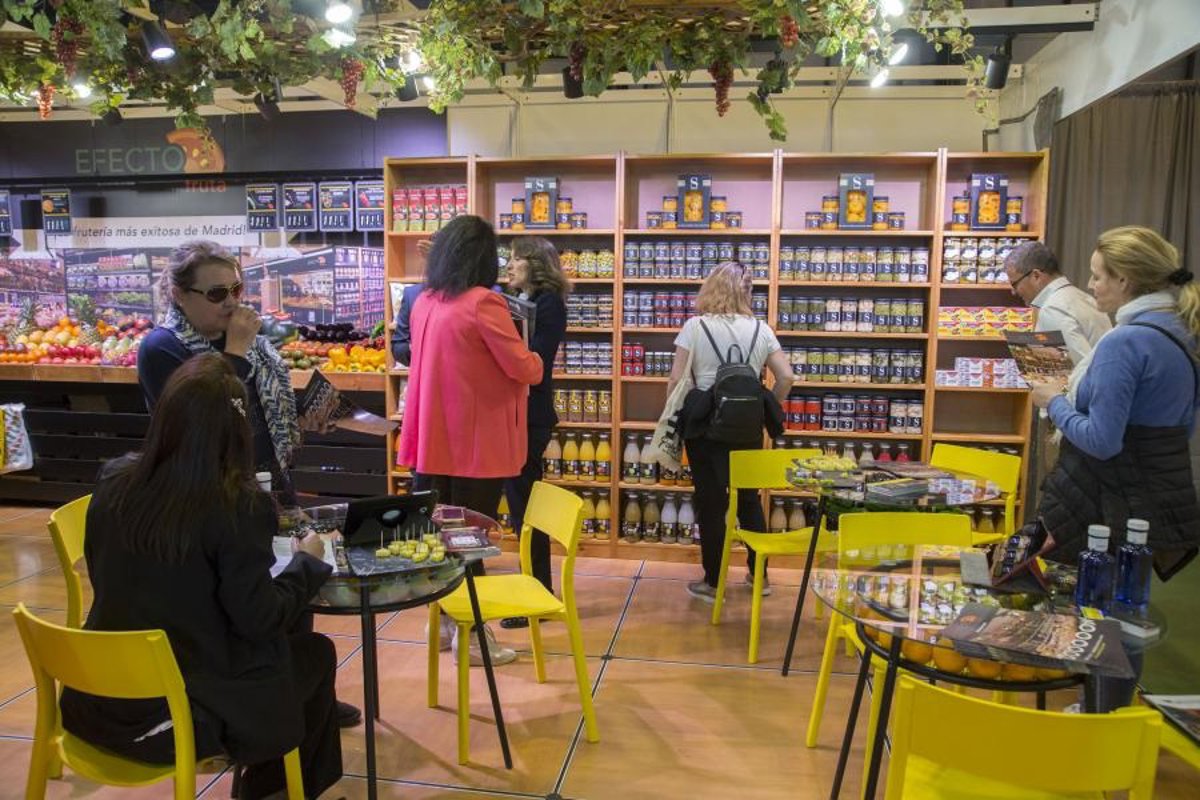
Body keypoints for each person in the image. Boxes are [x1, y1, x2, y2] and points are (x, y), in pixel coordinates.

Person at [60, 354, 342, 799]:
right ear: (237, 432)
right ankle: (275, 791)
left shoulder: (114, 480)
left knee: (273, 654)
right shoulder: (235, 505)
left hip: (94, 700)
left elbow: (106, 573)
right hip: (174, 716)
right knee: (314, 653)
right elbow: (261, 620)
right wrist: (306, 563)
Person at [137, 240, 362, 729]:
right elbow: (210, 420)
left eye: (237, 289)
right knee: (250, 599)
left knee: (296, 590)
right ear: (180, 295)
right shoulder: (162, 349)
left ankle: (306, 695)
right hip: (213, 497)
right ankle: (269, 703)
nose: (232, 302)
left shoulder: (252, 344)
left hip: (269, 480)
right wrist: (236, 351)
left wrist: (305, 415)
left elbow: (258, 409)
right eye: (217, 293)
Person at [397, 214, 544, 664]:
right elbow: (522, 367)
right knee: (471, 542)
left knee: (443, 537)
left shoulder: (425, 301)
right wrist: (536, 357)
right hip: (475, 445)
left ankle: (443, 621)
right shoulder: (484, 303)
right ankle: (475, 635)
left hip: (432, 441)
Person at [665, 262, 793, 603]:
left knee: (711, 502)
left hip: (704, 424)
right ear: (747, 293)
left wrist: (672, 417)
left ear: (711, 288)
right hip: (747, 426)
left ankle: (713, 582)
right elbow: (787, 376)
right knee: (748, 499)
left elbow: (677, 379)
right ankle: (759, 576)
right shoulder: (762, 329)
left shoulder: (695, 326)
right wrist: (766, 407)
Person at [500, 237, 569, 629]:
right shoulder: (517, 299)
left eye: (517, 259)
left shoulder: (548, 303)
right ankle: (535, 589)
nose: (509, 265)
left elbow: (535, 361)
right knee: (520, 503)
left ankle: (538, 594)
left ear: (537, 264)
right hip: (514, 413)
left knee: (526, 505)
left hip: (530, 416)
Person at [1004, 241, 1112, 365]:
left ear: (1036, 276)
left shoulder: (1052, 309)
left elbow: (1081, 367)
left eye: (1014, 284)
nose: (1013, 291)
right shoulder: (1085, 298)